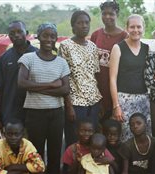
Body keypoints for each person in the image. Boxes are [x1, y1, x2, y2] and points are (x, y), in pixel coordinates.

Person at [18, 23, 70, 174]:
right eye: (45, 35)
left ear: (56, 39)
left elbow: (65, 89)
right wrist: (52, 85)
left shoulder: (61, 62)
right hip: (35, 114)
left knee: (55, 152)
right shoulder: (28, 58)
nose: (49, 39)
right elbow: (22, 83)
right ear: (38, 37)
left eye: (52, 36)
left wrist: (36, 88)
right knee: (36, 151)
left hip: (56, 113)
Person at [58, 10, 102, 148]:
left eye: (87, 22)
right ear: (73, 26)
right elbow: (63, 78)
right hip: (75, 103)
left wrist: (100, 101)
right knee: (73, 141)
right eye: (80, 23)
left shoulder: (93, 47)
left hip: (93, 102)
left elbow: (95, 75)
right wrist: (69, 106)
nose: (84, 25)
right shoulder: (66, 46)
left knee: (91, 141)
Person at [0, 20, 38, 138]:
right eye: (12, 33)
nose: (16, 35)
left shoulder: (38, 55)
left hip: (34, 116)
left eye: (19, 31)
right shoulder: (4, 58)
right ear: (8, 36)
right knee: (10, 154)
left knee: (32, 153)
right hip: (9, 118)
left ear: (26, 33)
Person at [109, 14, 151, 142]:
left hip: (143, 100)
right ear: (126, 28)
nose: (135, 30)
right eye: (132, 27)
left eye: (139, 27)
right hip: (124, 100)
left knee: (144, 136)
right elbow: (112, 79)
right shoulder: (118, 48)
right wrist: (116, 106)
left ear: (143, 28)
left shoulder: (147, 48)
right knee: (125, 136)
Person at [90, 1, 127, 120]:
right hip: (97, 87)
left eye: (111, 14)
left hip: (115, 88)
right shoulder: (96, 35)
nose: (107, 17)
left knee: (113, 126)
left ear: (117, 15)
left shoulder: (124, 37)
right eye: (104, 13)